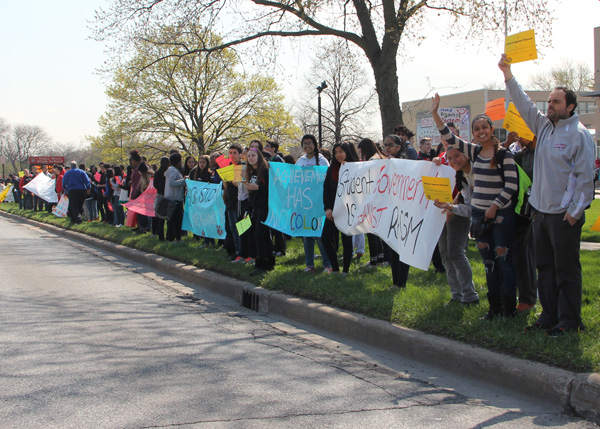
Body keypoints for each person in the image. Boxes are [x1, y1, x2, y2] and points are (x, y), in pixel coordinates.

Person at [499, 54, 595, 335]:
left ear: (571, 106)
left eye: (556, 102)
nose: (550, 105)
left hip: (563, 217)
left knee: (566, 270)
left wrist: (573, 214)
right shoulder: (543, 126)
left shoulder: (579, 135)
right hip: (540, 213)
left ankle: (569, 322)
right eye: (549, 101)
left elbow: (585, 180)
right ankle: (548, 316)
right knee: (545, 268)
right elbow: (524, 103)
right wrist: (508, 74)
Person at [432, 93, 519, 319]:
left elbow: (512, 185)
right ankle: (494, 309)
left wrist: (495, 206)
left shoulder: (504, 155)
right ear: (473, 133)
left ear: (491, 129)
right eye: (477, 129)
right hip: (479, 216)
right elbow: (449, 137)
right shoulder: (475, 151)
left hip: (500, 216)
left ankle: (509, 310)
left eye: (485, 127)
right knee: (489, 263)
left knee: (504, 261)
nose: (481, 131)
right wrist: (435, 113)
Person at [433, 147, 479, 306]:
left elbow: (469, 207)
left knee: (456, 252)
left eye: (457, 156)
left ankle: (469, 295)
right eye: (450, 157)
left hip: (457, 214)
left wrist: (452, 207)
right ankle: (456, 294)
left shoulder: (469, 173)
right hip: (442, 213)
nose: (453, 161)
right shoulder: (441, 158)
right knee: (445, 253)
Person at [295, 134, 332, 273]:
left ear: (315, 145)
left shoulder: (322, 161)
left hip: (318, 203)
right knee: (307, 235)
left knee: (320, 235)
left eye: (310, 143)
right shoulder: (300, 161)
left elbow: (326, 180)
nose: (307, 146)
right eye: (304, 143)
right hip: (304, 204)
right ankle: (309, 265)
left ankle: (327, 264)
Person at [323, 142, 358, 275]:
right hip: (333, 211)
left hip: (349, 210)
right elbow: (326, 190)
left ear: (348, 152)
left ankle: (346, 270)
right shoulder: (332, 169)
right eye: (336, 152)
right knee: (326, 238)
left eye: (341, 152)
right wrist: (327, 208)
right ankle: (335, 269)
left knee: (346, 240)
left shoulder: (356, 168)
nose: (339, 155)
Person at [356, 138, 386, 269]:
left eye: (361, 151)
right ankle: (380, 258)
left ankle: (374, 260)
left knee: (371, 231)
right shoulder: (381, 157)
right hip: (381, 199)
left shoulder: (373, 160)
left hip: (373, 200)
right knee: (376, 232)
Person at [245, 148, 274, 275]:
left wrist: (258, 187)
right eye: (249, 156)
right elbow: (251, 194)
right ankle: (269, 261)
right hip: (255, 207)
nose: (250, 158)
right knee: (262, 236)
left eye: (253, 155)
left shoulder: (265, 171)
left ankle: (261, 264)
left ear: (259, 156)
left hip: (265, 207)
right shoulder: (251, 172)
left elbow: (272, 189)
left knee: (259, 235)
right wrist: (248, 208)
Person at [164, 152, 186, 242]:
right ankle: (174, 238)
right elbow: (171, 182)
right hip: (175, 199)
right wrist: (183, 181)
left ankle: (173, 237)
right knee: (175, 220)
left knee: (173, 220)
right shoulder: (173, 171)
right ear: (178, 162)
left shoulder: (171, 170)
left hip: (172, 198)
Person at [152, 156, 170, 240]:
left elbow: (155, 184)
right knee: (169, 217)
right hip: (168, 195)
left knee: (160, 217)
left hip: (160, 195)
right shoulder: (168, 172)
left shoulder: (157, 172)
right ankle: (169, 235)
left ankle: (160, 235)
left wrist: (160, 190)